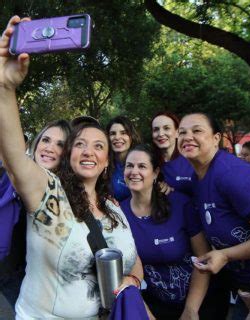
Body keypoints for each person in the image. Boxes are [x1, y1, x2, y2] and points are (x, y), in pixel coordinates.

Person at [0, 16, 143, 319]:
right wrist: (4, 86)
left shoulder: (115, 209)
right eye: (79, 144)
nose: (89, 151)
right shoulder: (48, 196)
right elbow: (14, 154)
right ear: (69, 156)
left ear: (107, 163)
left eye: (99, 145)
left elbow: (134, 259)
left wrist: (133, 280)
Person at [177, 112, 250, 319]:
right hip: (246, 294)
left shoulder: (233, 175)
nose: (187, 137)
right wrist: (191, 309)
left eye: (197, 130)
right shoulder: (197, 181)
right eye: (182, 132)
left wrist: (226, 255)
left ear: (216, 138)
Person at [120, 144, 210, 320]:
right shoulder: (118, 214)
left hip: (199, 303)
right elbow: (128, 276)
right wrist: (146, 314)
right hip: (154, 306)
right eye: (129, 165)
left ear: (155, 173)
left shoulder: (180, 204)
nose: (134, 171)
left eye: (142, 166)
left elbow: (204, 257)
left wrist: (191, 310)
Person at [0, 119, 71, 308]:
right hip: (8, 275)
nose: (49, 148)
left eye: (60, 144)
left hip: (47, 288)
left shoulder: (70, 192)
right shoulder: (9, 178)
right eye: (46, 140)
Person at [151, 111, 194, 195]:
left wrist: (174, 193)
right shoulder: (150, 162)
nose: (160, 134)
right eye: (156, 129)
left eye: (166, 128)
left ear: (177, 133)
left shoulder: (192, 161)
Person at [106, 116, 141, 201]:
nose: (117, 137)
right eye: (113, 133)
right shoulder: (104, 164)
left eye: (123, 133)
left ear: (131, 136)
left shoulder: (143, 162)